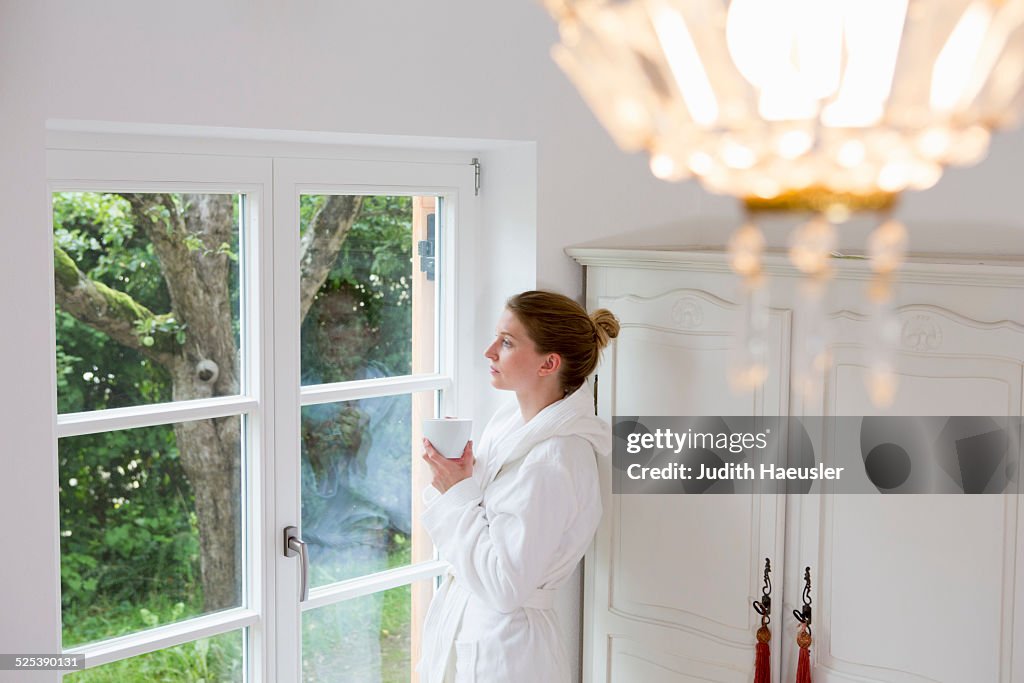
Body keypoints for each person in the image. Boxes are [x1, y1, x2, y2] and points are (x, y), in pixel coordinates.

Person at [417, 290, 620, 683]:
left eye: (507, 342)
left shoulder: (553, 458)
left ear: (549, 363)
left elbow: (506, 585)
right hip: (477, 631)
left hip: (508, 656)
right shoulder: (511, 422)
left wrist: (457, 493)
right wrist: (460, 477)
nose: (489, 351)